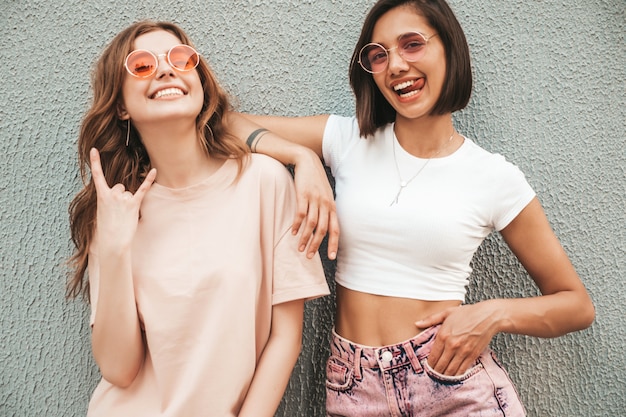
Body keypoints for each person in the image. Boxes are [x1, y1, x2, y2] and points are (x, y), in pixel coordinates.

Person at [231, 0, 596, 415]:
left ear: (449, 50)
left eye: (412, 45)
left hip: (452, 385)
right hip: (354, 383)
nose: (396, 65)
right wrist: (303, 158)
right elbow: (223, 122)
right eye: (379, 55)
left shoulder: (493, 177)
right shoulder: (348, 141)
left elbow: (576, 305)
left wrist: (491, 314)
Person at [66, 20, 329, 417]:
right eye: (141, 65)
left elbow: (285, 337)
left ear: (199, 82)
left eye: (180, 59)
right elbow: (119, 370)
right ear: (120, 104)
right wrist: (115, 246)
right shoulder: (116, 207)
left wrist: (302, 155)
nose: (166, 70)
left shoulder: (266, 181)